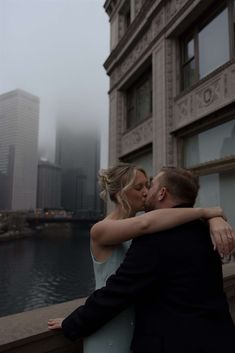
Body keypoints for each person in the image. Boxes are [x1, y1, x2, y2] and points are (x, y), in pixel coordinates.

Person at [48, 165, 235, 353]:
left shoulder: (157, 235)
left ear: (162, 193)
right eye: (139, 188)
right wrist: (209, 214)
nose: (146, 193)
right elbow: (145, 224)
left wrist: (214, 217)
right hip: (218, 337)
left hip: (164, 338)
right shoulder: (202, 230)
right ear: (122, 192)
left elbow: (120, 289)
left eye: (149, 186)